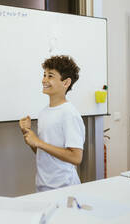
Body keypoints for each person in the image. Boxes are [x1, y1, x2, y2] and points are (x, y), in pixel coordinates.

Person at [19, 55, 85, 192]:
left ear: (66, 83)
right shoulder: (44, 112)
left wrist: (38, 142)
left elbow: (76, 157)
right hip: (43, 185)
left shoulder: (69, 114)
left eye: (50, 76)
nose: (44, 80)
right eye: (44, 75)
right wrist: (29, 136)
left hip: (64, 187)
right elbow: (42, 152)